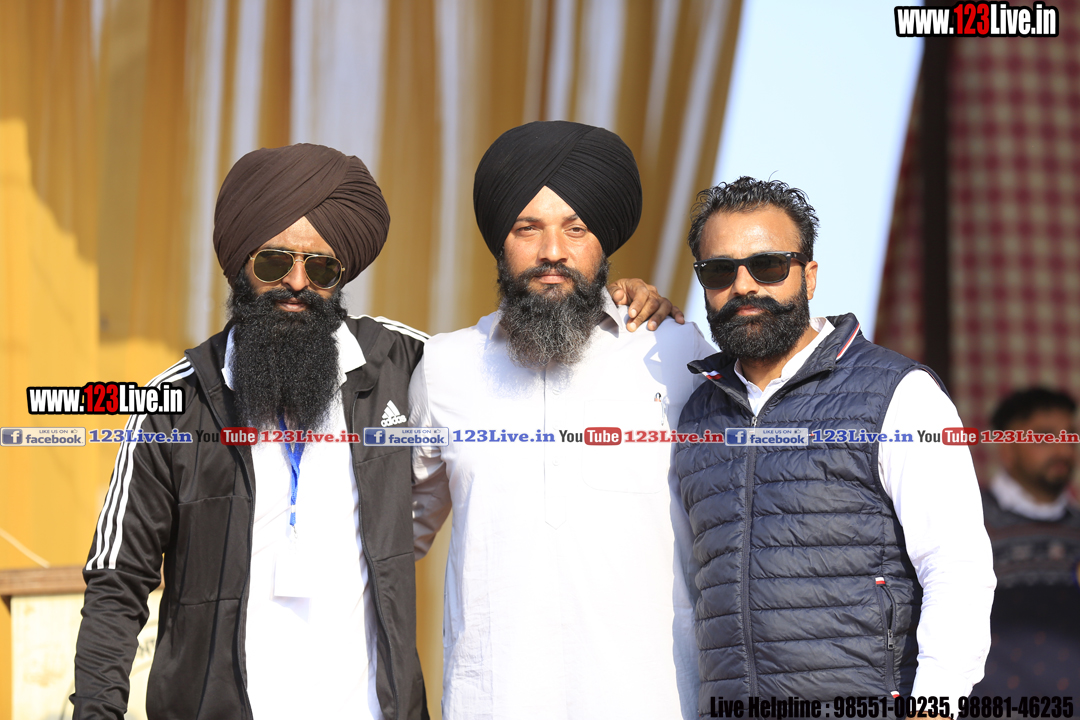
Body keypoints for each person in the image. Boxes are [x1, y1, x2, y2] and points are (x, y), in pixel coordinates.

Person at [72, 142, 671, 720]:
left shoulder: (406, 365)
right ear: (239, 266)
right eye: (274, 263)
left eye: (321, 267)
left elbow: (518, 351)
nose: (298, 283)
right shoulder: (172, 404)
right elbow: (118, 581)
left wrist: (618, 305)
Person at [410, 120, 714, 720]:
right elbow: (389, 539)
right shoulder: (445, 366)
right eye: (528, 228)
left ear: (604, 243)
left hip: (653, 702)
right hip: (492, 704)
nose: (553, 251)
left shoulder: (675, 350)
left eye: (576, 228)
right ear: (501, 242)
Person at [675, 176, 996, 704]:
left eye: (768, 265)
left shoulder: (899, 394)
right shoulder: (695, 412)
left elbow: (957, 569)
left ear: (810, 276)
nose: (744, 285)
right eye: (719, 270)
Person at [972, 387, 1080, 694]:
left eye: (1070, 436)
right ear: (1008, 449)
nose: (1063, 450)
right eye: (1045, 437)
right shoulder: (969, 521)